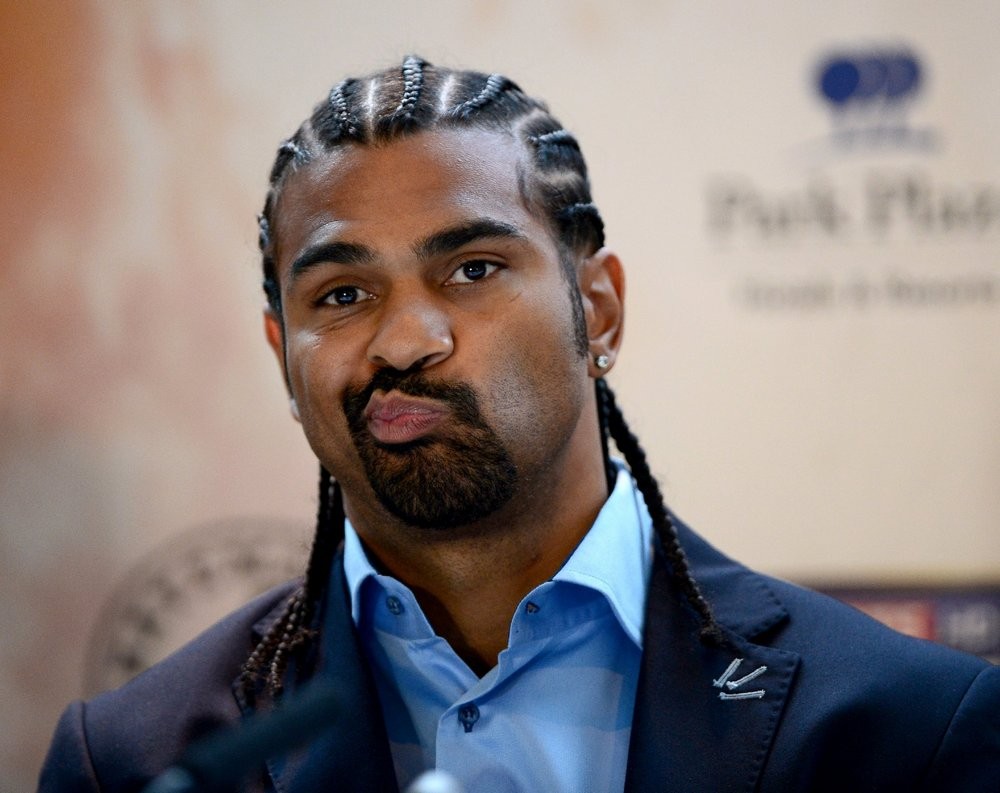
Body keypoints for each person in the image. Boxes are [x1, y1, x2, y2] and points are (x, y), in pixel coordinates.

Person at [39, 56, 999, 793]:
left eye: (472, 270)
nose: (404, 340)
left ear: (599, 310)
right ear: (281, 352)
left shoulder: (907, 730)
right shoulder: (135, 760)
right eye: (342, 293)